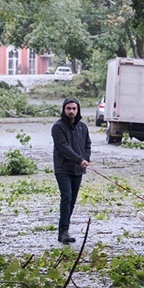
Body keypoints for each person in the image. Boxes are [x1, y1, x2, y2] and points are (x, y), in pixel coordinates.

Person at [51, 98, 91, 243]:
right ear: (64, 110)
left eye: (74, 108)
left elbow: (87, 144)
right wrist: (79, 160)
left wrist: (86, 158)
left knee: (72, 200)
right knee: (66, 197)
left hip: (78, 169)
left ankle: (65, 230)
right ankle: (63, 232)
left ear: (78, 110)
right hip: (63, 168)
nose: (71, 111)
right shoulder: (58, 127)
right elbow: (63, 147)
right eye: (68, 108)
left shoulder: (82, 127)